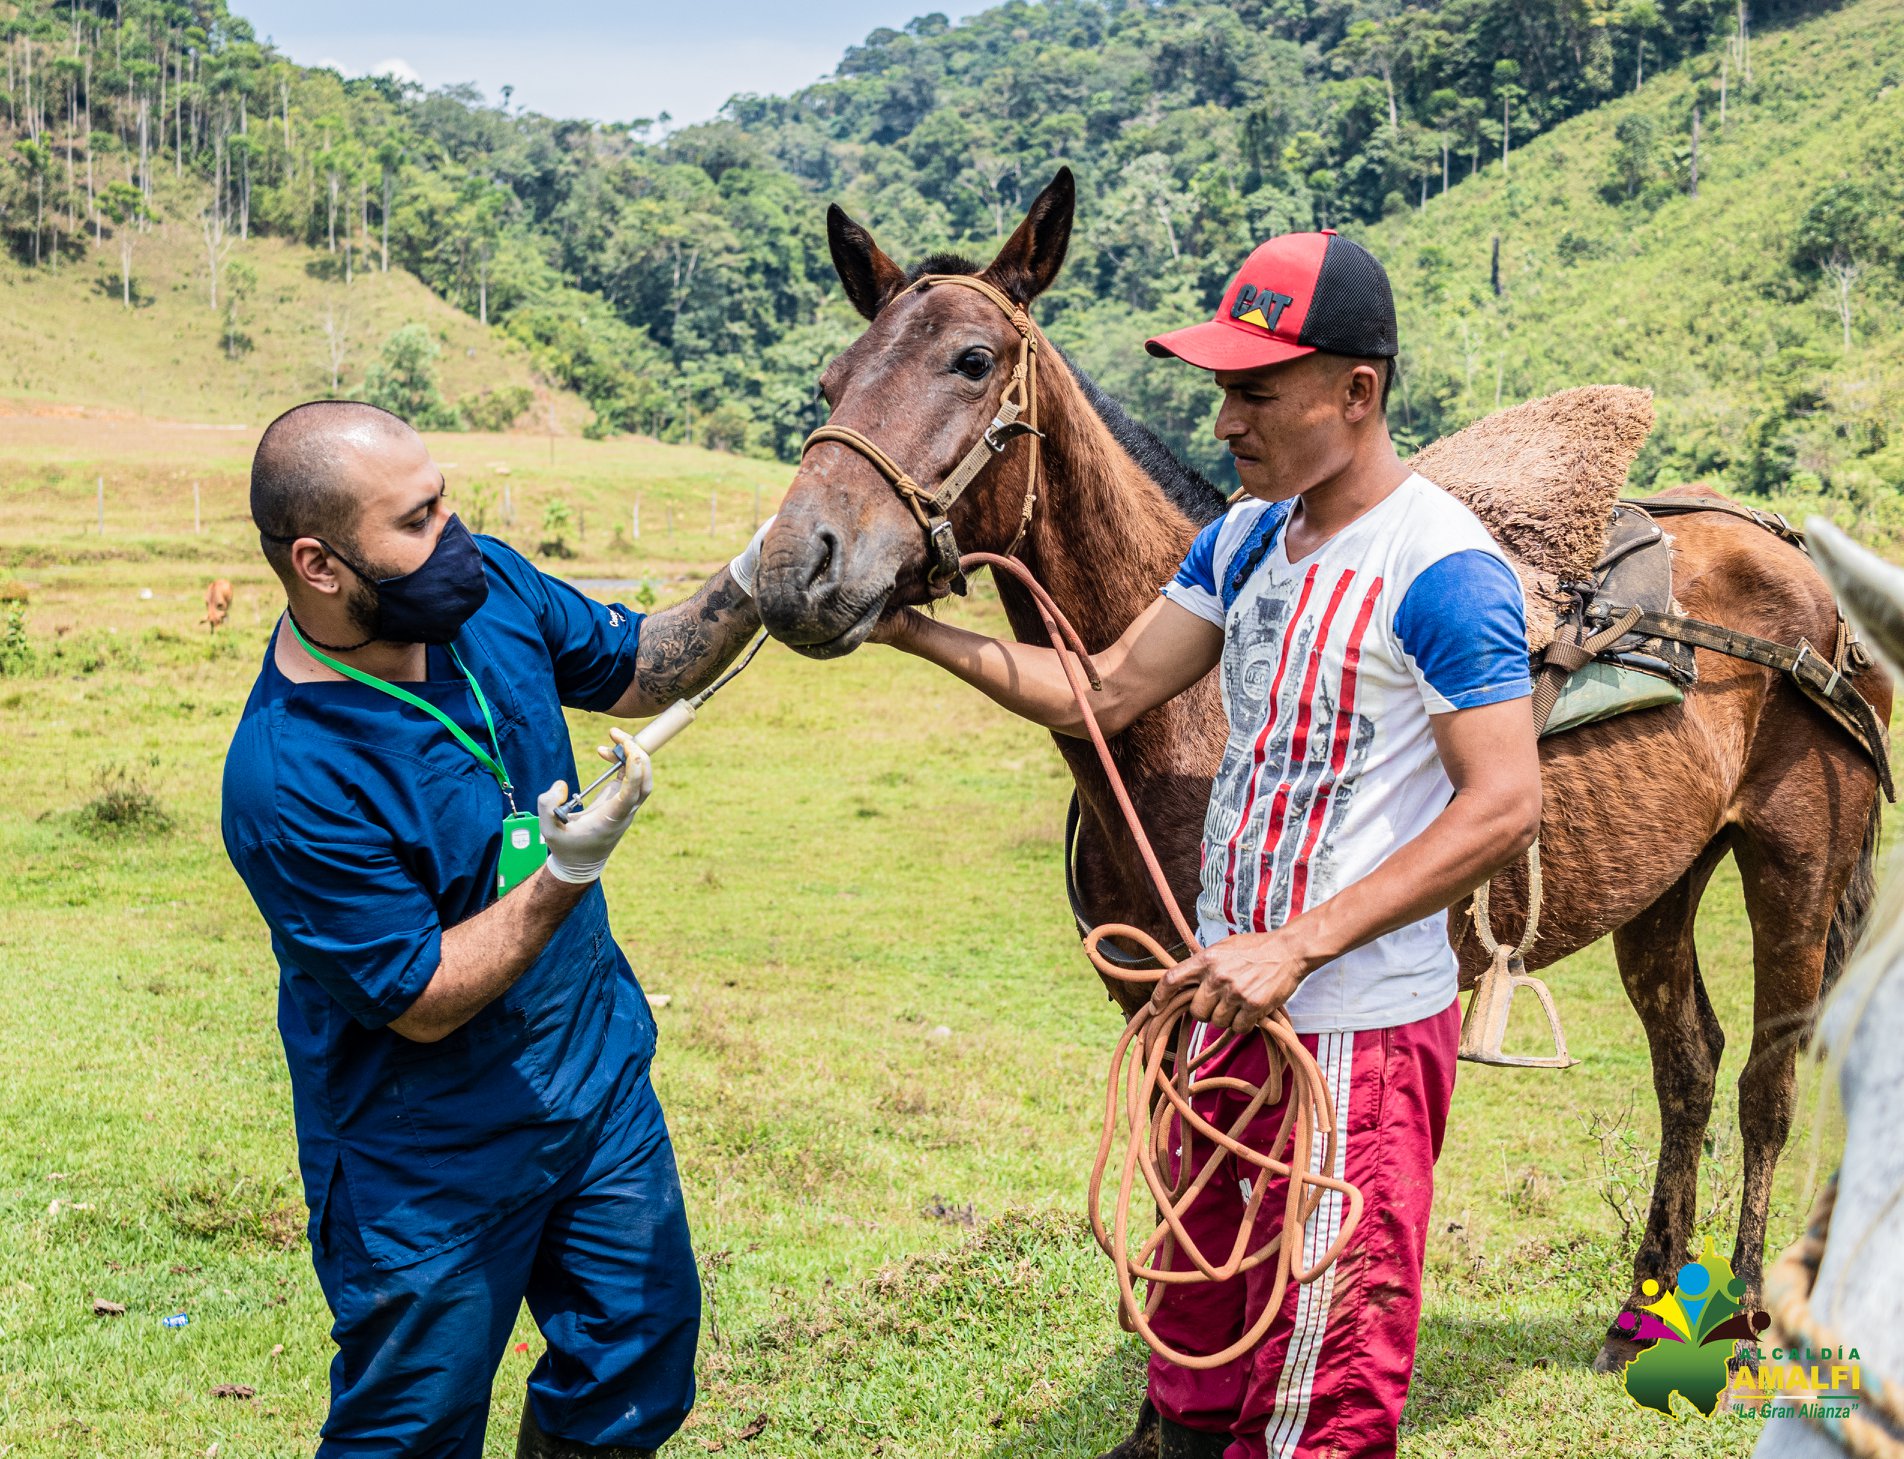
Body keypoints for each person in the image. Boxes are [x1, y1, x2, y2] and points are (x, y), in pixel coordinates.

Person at [871, 231, 1542, 1458]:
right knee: (1196, 1351)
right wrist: (913, 632)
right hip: (1219, 1011)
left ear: (1356, 393)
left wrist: (1294, 943)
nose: (1223, 419)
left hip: (1352, 1037)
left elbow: (1501, 804)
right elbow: (1108, 687)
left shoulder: (1441, 569)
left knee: (1313, 1395)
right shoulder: (1241, 538)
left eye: (1254, 390)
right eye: (1218, 387)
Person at [220, 400, 776, 1459]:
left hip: (595, 1085)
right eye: (417, 520)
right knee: (410, 1432)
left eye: (445, 498)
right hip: (424, 1157)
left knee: (634, 1366)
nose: (453, 534)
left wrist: (752, 577)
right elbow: (422, 1000)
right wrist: (565, 871)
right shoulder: (290, 776)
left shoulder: (485, 598)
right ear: (320, 564)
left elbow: (637, 663)